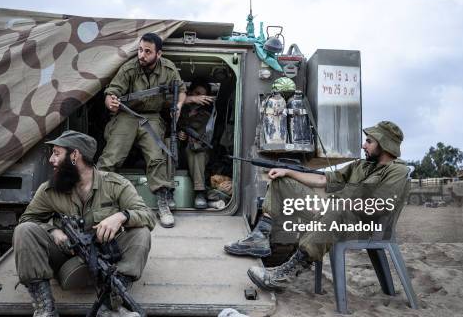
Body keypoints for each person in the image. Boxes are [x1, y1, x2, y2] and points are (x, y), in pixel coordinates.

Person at [224, 121, 409, 291]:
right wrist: (288, 171)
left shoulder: (397, 170)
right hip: (334, 214)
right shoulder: (361, 165)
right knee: (283, 181)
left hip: (363, 225)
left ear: (383, 143)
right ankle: (260, 236)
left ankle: (285, 275)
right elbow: (323, 179)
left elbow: (380, 206)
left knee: (337, 210)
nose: (363, 145)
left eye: (369, 141)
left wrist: (336, 205)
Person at [13, 130, 155, 317]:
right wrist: (53, 230)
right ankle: (45, 313)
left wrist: (121, 216)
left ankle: (110, 309)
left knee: (141, 233)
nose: (51, 159)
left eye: (57, 153)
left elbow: (148, 216)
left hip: (104, 255)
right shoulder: (50, 189)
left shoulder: (115, 184)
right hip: (66, 256)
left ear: (74, 156)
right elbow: (27, 220)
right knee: (24, 231)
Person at [98, 33, 186, 228]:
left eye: (148, 51)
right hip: (127, 114)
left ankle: (163, 205)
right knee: (112, 156)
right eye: (140, 50)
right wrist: (110, 102)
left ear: (159, 54)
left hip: (152, 116)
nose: (142, 55)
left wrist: (178, 106)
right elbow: (111, 92)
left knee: (156, 156)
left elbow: (181, 90)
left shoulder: (169, 69)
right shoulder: (129, 68)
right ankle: (98, 202)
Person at [177, 80, 216, 208]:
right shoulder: (177, 107)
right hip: (176, 152)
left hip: (195, 152)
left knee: (196, 151)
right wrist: (178, 135)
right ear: (189, 92)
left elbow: (203, 138)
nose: (199, 98)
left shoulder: (207, 114)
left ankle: (200, 192)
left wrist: (187, 137)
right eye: (197, 93)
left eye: (202, 96)